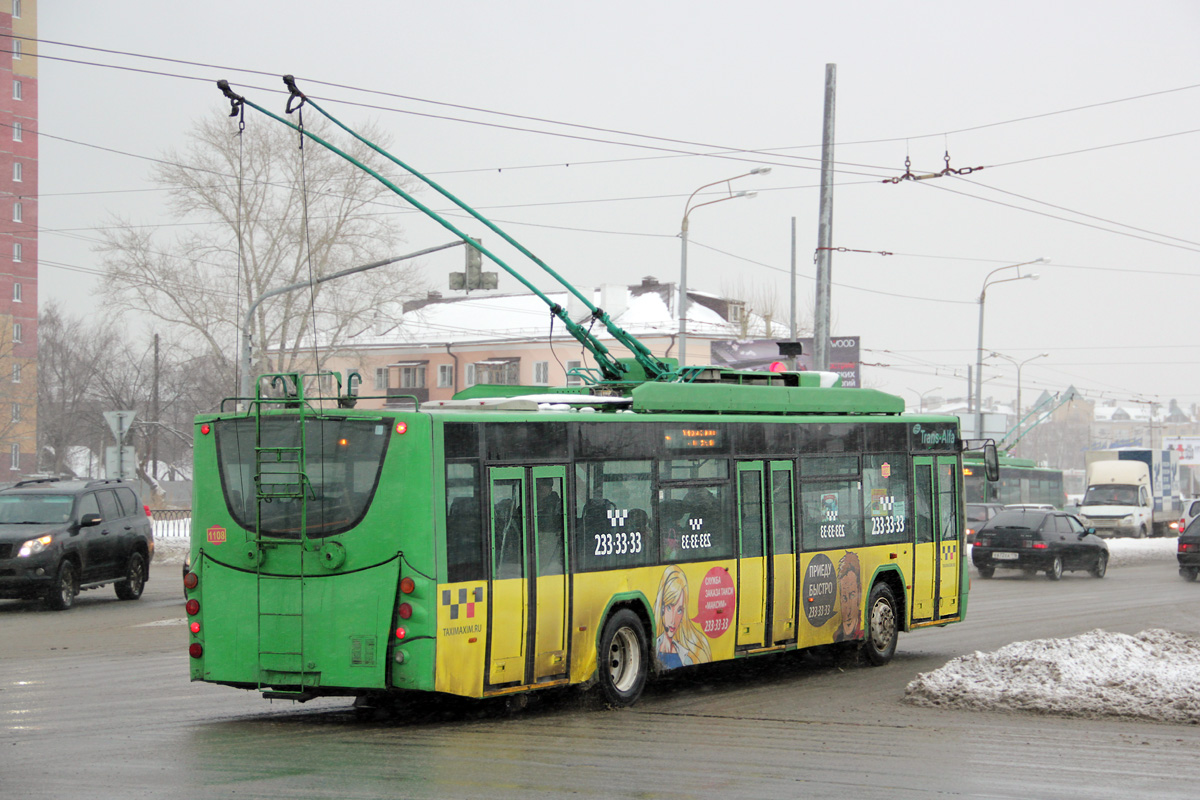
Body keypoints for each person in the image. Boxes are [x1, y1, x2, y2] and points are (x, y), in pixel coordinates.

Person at [653, 565, 712, 669]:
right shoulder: (651, 649)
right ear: (661, 607)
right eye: (669, 607)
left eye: (679, 610)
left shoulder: (686, 658)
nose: (673, 620)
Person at [833, 551, 863, 642]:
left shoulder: (862, 631)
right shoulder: (836, 635)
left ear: (860, 593)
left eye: (852, 595)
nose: (848, 610)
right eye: (844, 598)